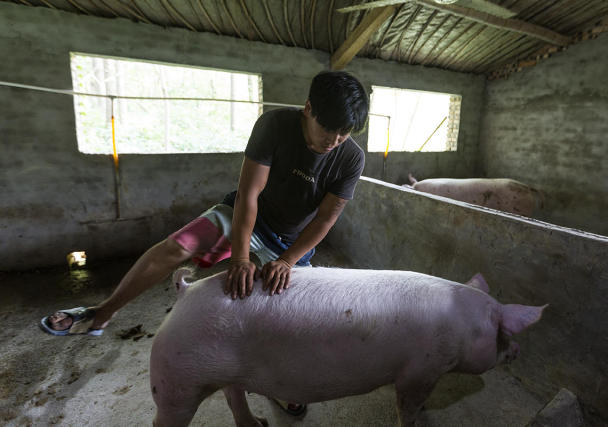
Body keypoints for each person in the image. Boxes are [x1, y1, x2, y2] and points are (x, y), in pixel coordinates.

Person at [40, 71, 369, 412]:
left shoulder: (351, 158)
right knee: (176, 247)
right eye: (328, 128)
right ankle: (101, 313)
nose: (335, 139)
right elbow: (249, 194)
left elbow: (325, 218)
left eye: (345, 132)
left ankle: (280, 382)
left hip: (291, 241)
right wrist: (240, 258)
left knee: (293, 314)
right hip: (245, 213)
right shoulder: (275, 125)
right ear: (308, 109)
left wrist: (286, 260)